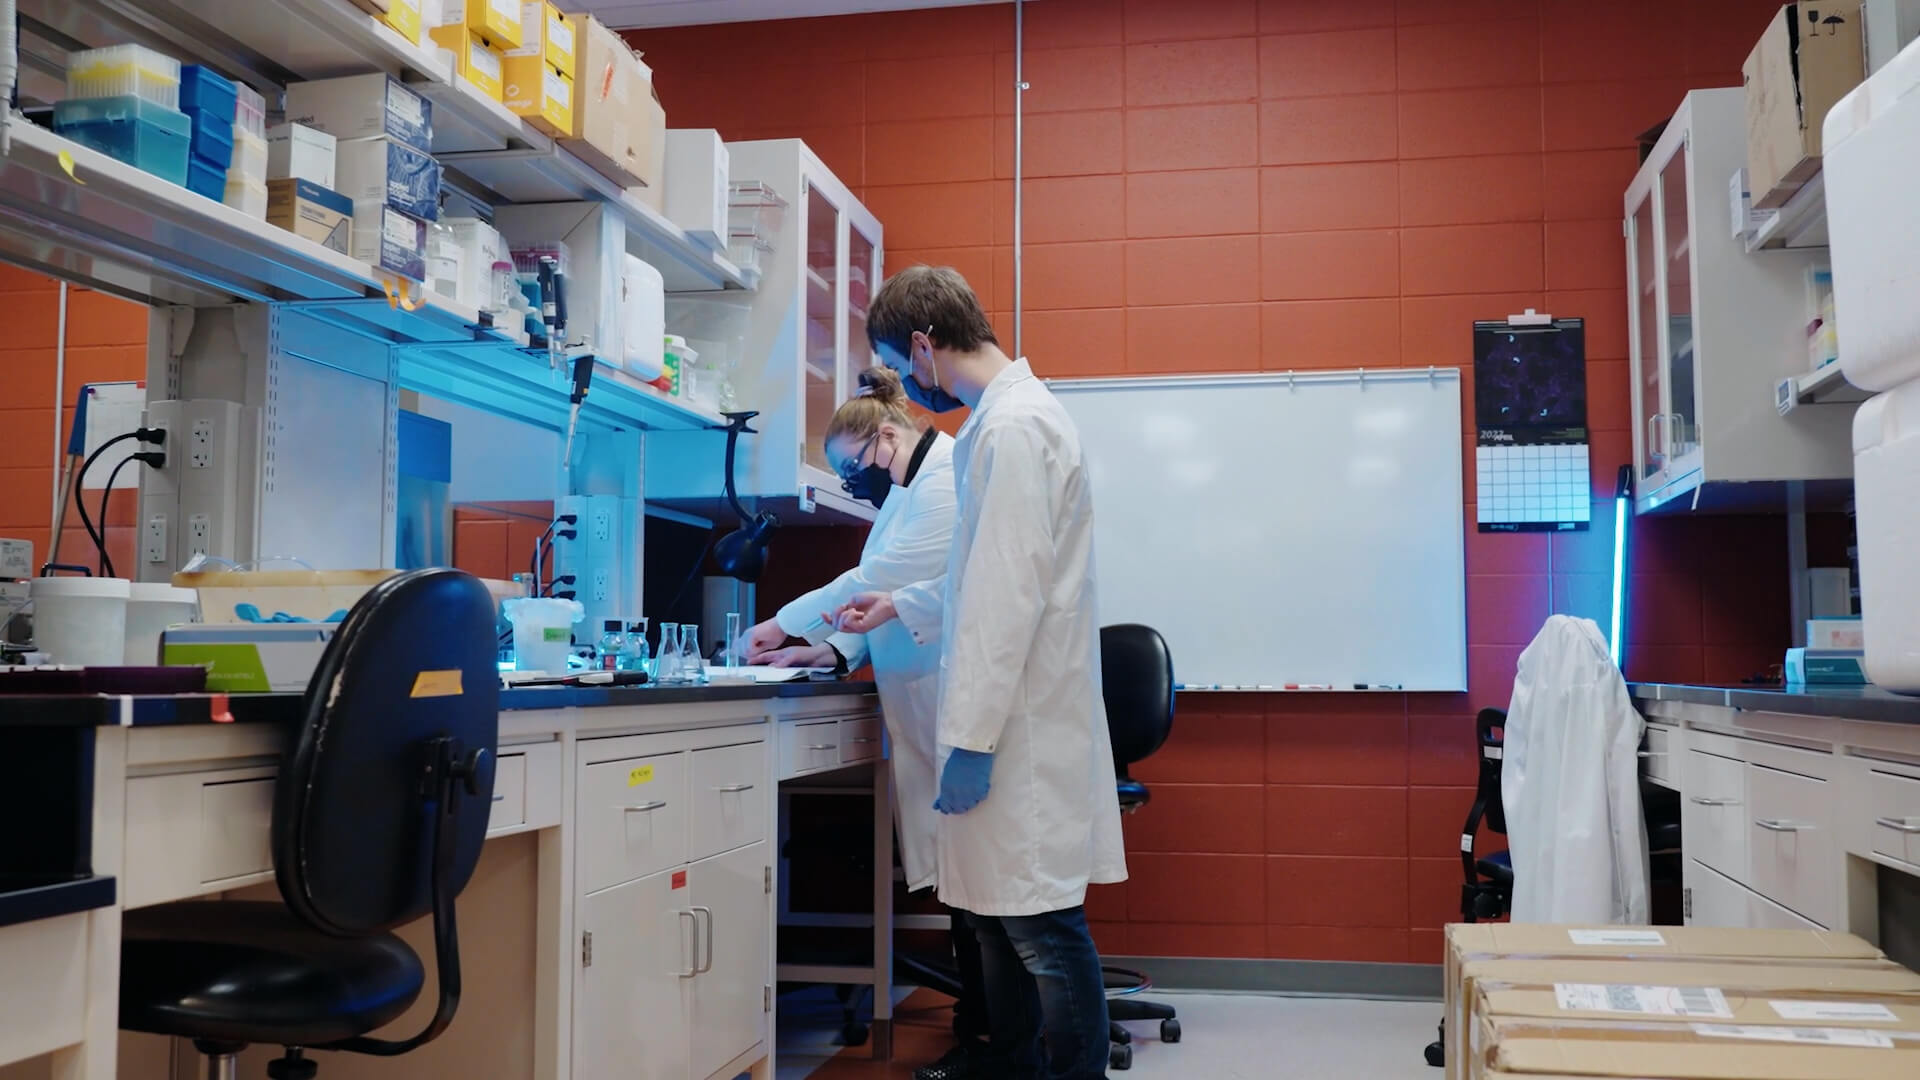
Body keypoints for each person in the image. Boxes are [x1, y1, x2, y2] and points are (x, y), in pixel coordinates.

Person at [832, 265, 1127, 1080]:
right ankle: (1015, 1065)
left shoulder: (1011, 428)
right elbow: (980, 571)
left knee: (1039, 925)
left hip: (1017, 724)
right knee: (997, 915)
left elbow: (1003, 598)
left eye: (903, 364)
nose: (910, 387)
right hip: (1015, 713)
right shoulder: (1004, 423)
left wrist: (969, 742)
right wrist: (899, 604)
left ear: (924, 347)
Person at [733, 368, 993, 1080]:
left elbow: (876, 581)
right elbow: (885, 599)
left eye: (854, 467)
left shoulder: (940, 483)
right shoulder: (909, 491)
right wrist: (831, 647)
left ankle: (991, 1040)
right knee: (966, 883)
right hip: (924, 694)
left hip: (952, 701)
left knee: (978, 885)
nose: (853, 482)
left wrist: (779, 622)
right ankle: (984, 1034)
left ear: (886, 437)